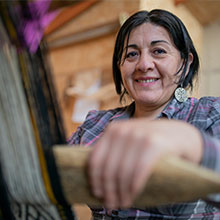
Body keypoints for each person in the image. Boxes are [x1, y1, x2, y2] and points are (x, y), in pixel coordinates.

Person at [68, 9, 220, 219]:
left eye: (158, 51)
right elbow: (44, 177)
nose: (144, 64)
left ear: (185, 63)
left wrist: (193, 143)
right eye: (132, 54)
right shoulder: (95, 124)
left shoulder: (212, 115)